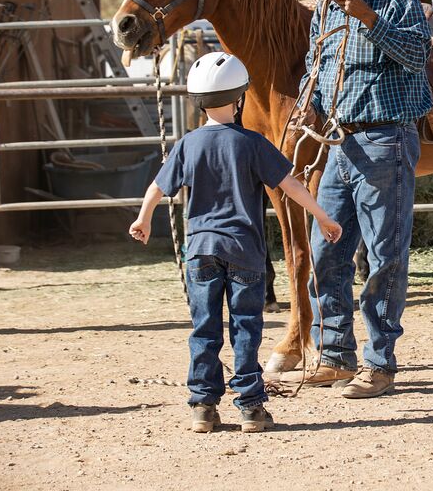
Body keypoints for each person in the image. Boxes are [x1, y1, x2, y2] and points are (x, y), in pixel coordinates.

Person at [129, 51, 342, 433]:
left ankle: (203, 408)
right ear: (240, 97)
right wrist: (323, 217)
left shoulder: (188, 144)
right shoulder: (253, 143)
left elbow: (158, 187)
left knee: (204, 329)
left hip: (200, 252)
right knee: (246, 328)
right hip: (244, 251)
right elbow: (290, 184)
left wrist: (143, 219)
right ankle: (250, 407)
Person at [290, 0, 431, 399]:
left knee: (384, 254)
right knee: (326, 247)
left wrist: (370, 18)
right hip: (339, 143)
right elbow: (317, 65)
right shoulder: (325, 12)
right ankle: (335, 355)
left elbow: (416, 55)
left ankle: (379, 362)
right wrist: (309, 104)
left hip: (386, 137)